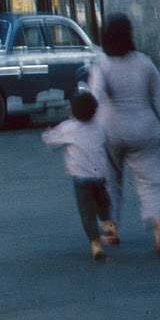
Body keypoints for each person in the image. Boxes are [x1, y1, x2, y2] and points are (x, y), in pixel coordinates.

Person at [89, 13, 160, 257]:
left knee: (110, 183)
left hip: (110, 130)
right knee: (151, 181)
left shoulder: (102, 64)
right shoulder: (145, 63)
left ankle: (111, 230)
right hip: (145, 129)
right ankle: (158, 222)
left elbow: (94, 98)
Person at [41, 91, 117, 262]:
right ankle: (111, 229)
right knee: (103, 206)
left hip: (81, 179)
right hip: (100, 177)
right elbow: (107, 144)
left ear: (72, 110)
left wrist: (49, 131)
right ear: (95, 111)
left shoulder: (68, 128)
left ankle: (95, 244)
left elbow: (49, 140)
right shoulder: (100, 127)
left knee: (87, 212)